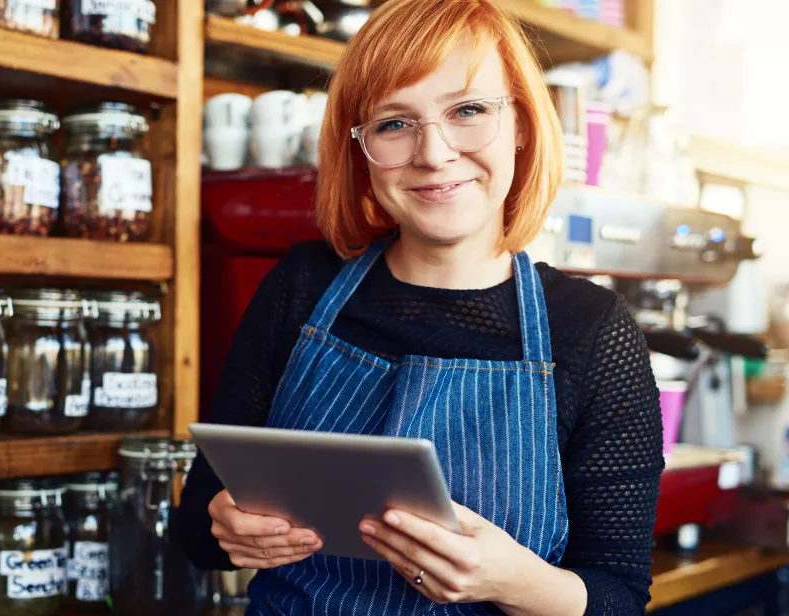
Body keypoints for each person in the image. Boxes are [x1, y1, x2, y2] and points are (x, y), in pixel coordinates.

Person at [177, 0, 664, 614]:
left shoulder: (592, 330)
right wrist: (225, 527)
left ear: (519, 124)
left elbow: (620, 597)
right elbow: (198, 529)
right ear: (360, 148)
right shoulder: (300, 286)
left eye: (467, 110)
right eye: (394, 123)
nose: (433, 154)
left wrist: (513, 581)